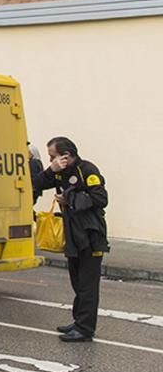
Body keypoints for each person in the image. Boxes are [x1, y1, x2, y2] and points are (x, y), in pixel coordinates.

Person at [33, 137, 109, 342]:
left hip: (91, 234)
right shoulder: (59, 172)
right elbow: (35, 183)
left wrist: (69, 199)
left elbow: (101, 199)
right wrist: (51, 170)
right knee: (77, 280)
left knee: (87, 284)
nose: (51, 160)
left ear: (66, 156)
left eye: (53, 156)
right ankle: (79, 321)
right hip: (73, 234)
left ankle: (85, 329)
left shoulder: (87, 170)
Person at [27, 141, 44, 206]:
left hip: (33, 189)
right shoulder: (38, 162)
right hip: (37, 189)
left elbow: (32, 176)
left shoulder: (33, 162)